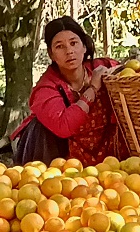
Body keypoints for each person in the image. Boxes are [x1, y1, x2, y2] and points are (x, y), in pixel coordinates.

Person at [11, 16, 126, 166]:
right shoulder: (46, 88)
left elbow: (133, 75)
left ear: (84, 47)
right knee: (40, 127)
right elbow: (64, 126)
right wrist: (93, 89)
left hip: (107, 160)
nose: (69, 51)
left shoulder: (103, 67)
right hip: (60, 163)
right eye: (60, 46)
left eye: (73, 43)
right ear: (51, 54)